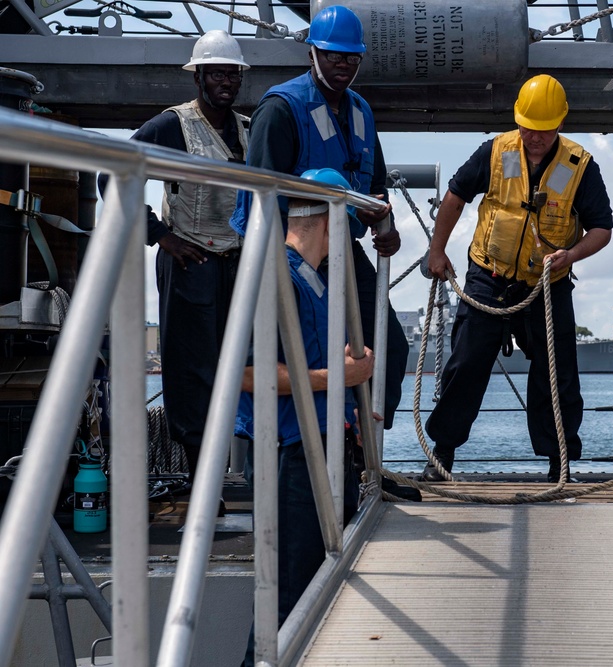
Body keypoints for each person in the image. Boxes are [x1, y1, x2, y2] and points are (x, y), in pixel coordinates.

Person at [421, 74, 613, 483]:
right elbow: (455, 196)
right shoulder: (496, 152)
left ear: (559, 124)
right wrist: (436, 251)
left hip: (548, 284)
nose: (535, 138)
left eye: (543, 131)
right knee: (466, 365)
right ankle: (441, 457)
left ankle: (558, 465)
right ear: (517, 121)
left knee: (557, 373)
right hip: (488, 277)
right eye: (528, 128)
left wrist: (572, 255)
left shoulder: (579, 167)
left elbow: (602, 228)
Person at [228, 4, 408, 429]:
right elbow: (261, 197)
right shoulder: (282, 108)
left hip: (342, 249)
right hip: (290, 257)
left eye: (350, 57)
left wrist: (387, 227)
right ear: (312, 54)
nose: (342, 65)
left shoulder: (361, 112)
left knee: (389, 347)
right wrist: (271, 269)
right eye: (332, 55)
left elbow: (374, 189)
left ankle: (367, 454)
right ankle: (310, 456)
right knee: (304, 353)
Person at [235, 168, 375, 665]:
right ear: (329, 223)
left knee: (316, 586)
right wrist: (336, 378)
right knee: (287, 595)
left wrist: (349, 399)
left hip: (322, 449)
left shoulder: (317, 282)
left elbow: (317, 365)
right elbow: (250, 373)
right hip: (291, 455)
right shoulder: (277, 278)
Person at [107, 30, 250, 484]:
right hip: (191, 262)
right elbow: (116, 175)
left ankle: (249, 470)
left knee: (245, 363)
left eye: (233, 73)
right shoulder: (173, 125)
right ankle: (200, 480)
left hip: (237, 262)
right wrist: (159, 235)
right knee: (191, 372)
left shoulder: (248, 129)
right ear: (199, 77)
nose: (226, 82)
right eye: (217, 73)